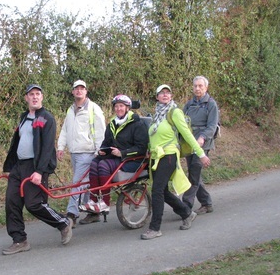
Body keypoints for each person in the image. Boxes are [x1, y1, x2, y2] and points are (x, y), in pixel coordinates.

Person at [1, 84, 73, 255]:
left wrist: (40, 171)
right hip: (19, 166)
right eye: (31, 94)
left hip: (35, 166)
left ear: (42, 97)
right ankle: (19, 240)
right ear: (26, 98)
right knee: (12, 202)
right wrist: (11, 167)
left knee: (34, 204)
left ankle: (63, 223)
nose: (34, 97)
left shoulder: (46, 118)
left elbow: (48, 148)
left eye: (38, 94)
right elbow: (17, 142)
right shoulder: (23, 117)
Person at [142, 84, 210, 240]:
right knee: (163, 191)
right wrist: (149, 148)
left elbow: (187, 134)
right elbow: (154, 135)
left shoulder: (175, 112)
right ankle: (186, 212)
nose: (165, 95)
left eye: (168, 93)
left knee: (157, 190)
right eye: (161, 93)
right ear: (157, 97)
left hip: (169, 154)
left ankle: (155, 228)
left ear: (171, 96)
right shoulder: (157, 115)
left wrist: (201, 154)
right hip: (156, 156)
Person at [79, 94, 149, 224]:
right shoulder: (112, 123)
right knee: (95, 163)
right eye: (116, 106)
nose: (118, 109)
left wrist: (122, 153)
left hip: (133, 160)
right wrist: (102, 150)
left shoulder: (137, 124)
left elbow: (141, 148)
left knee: (103, 166)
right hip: (116, 158)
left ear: (128, 108)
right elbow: (106, 142)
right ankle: (94, 201)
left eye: (121, 106)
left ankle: (104, 203)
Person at [57, 80, 106, 225]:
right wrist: (61, 147)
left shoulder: (93, 108)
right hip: (74, 152)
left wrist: (99, 150)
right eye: (76, 89)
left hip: (88, 152)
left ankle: (72, 214)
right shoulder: (70, 109)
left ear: (86, 91)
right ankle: (92, 212)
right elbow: (65, 130)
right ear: (72, 92)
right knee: (84, 184)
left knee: (76, 184)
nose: (79, 91)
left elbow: (100, 130)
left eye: (82, 88)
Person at [182, 75, 219, 214]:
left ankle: (185, 207)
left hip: (203, 144)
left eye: (200, 86)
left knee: (194, 172)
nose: (197, 88)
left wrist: (202, 137)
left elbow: (212, 126)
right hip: (189, 143)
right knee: (194, 173)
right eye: (195, 86)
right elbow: (181, 121)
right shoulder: (189, 104)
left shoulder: (211, 104)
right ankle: (207, 203)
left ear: (206, 88)